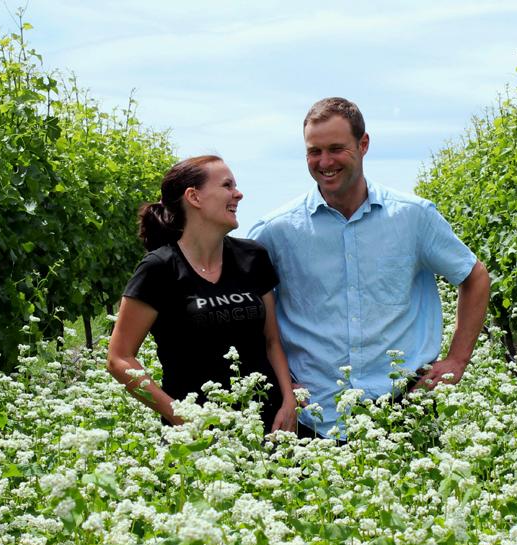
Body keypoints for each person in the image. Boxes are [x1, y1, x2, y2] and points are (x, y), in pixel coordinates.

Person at [247, 97, 491, 439]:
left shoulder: (413, 217)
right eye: (314, 151)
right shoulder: (276, 230)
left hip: (406, 410)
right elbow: (251, 312)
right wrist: (280, 383)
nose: (325, 162)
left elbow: (474, 276)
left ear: (363, 144)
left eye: (336, 149)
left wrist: (457, 359)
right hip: (312, 417)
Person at [107, 155, 298, 433]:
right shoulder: (159, 269)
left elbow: (271, 341)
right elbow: (119, 358)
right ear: (194, 197)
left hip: (267, 428)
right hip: (197, 438)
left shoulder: (253, 257)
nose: (239, 194)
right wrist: (181, 417)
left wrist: (288, 401)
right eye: (227, 185)